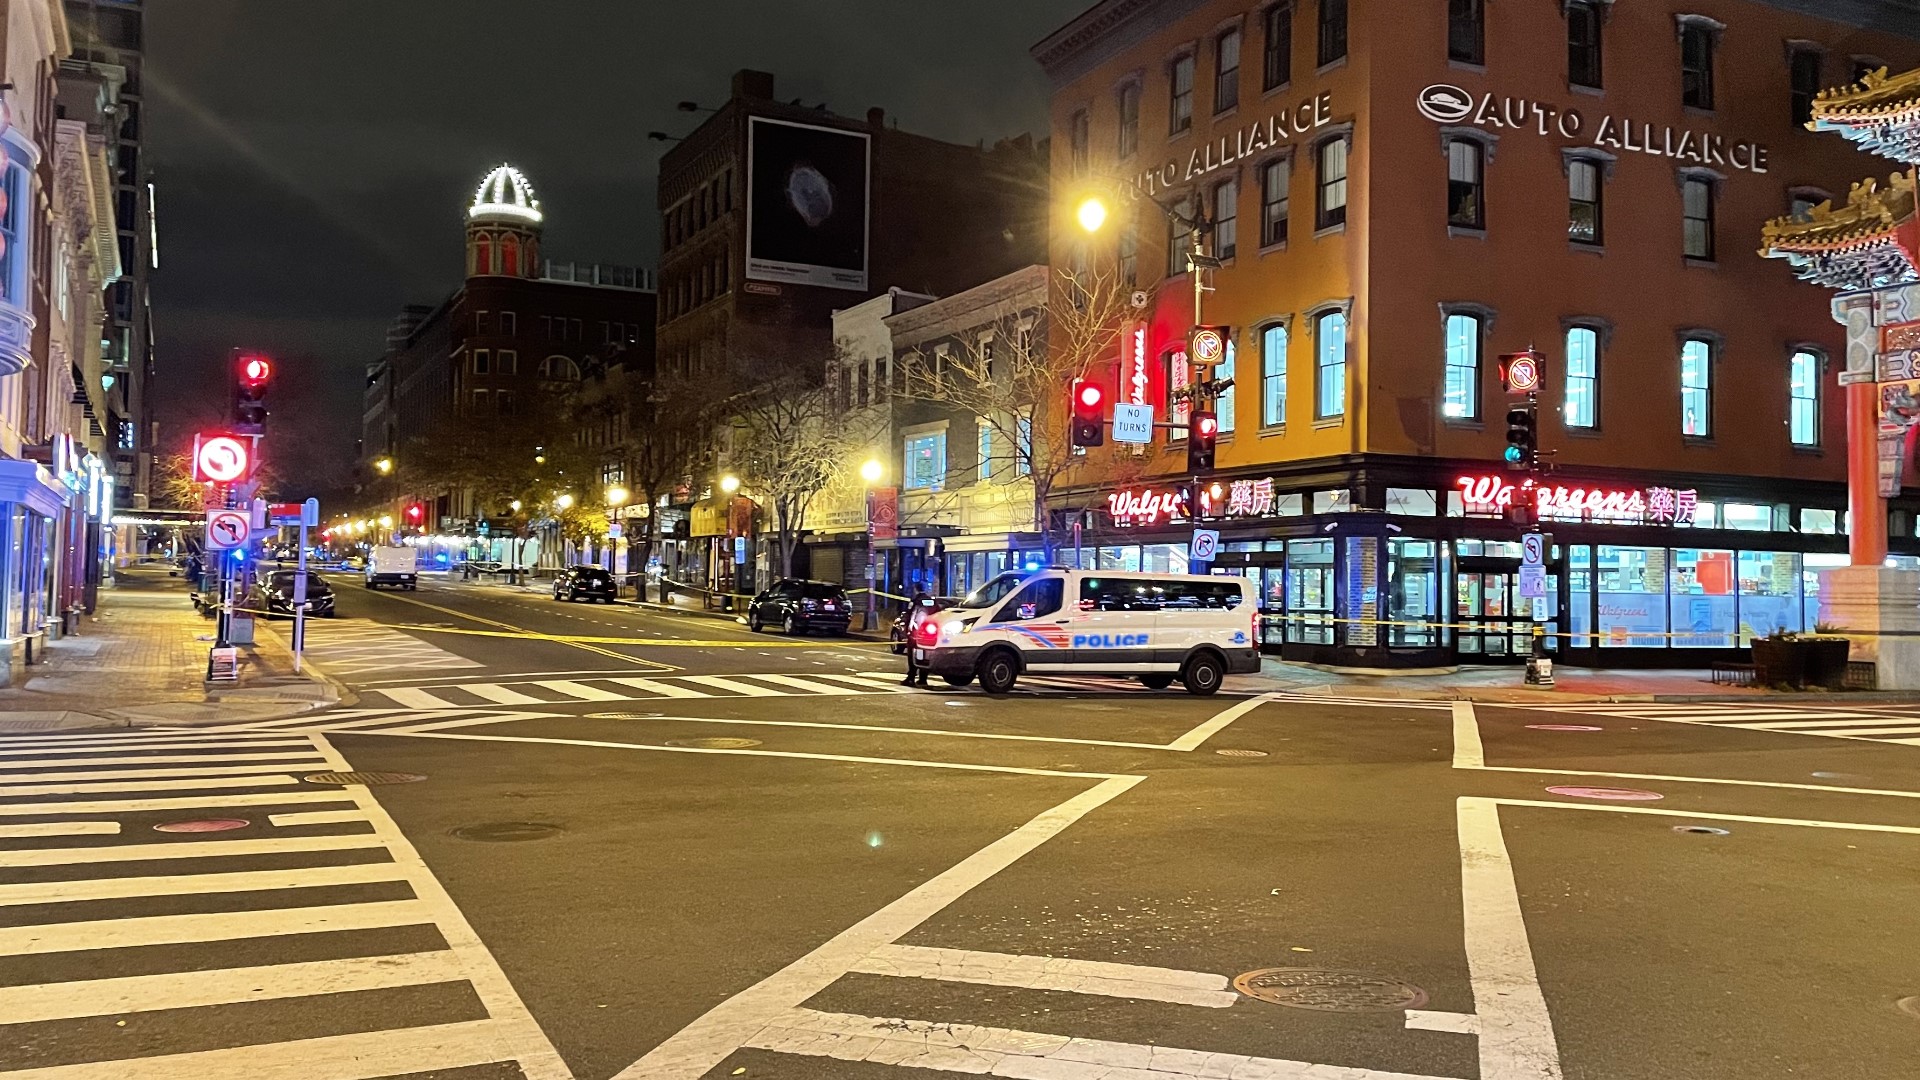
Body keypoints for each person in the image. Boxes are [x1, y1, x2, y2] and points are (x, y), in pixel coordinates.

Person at [901, 591, 935, 687]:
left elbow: (911, 617)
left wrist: (908, 631)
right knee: (924, 656)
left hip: (916, 635)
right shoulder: (931, 602)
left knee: (913, 656)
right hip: (928, 635)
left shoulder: (916, 602)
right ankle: (923, 678)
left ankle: (911, 678)